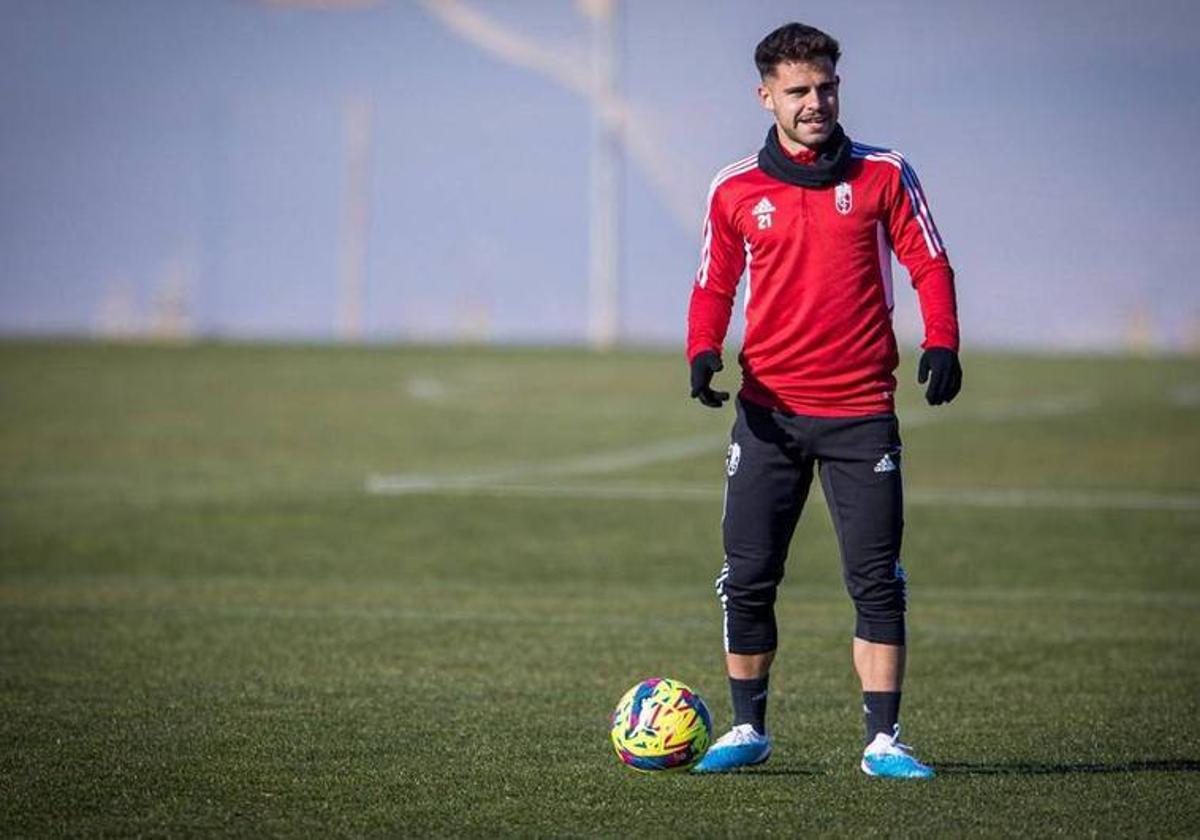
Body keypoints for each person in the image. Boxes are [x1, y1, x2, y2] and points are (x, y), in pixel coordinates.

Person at [686, 22, 961, 779]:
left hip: (861, 411)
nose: (816, 102)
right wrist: (703, 351)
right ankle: (748, 730)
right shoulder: (735, 187)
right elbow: (714, 282)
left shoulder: (884, 174)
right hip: (768, 416)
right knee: (747, 575)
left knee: (876, 579)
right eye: (800, 90)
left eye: (826, 87)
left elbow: (929, 262)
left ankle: (884, 741)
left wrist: (942, 340)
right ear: (766, 93)